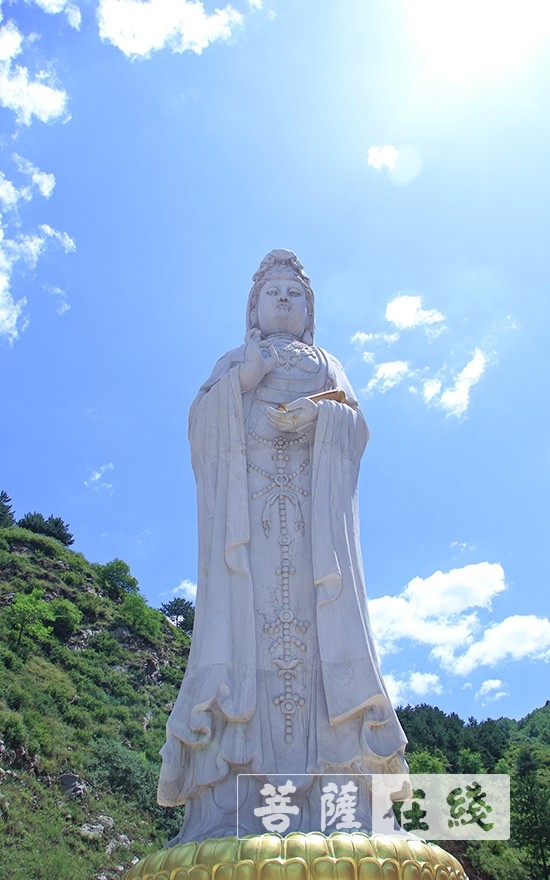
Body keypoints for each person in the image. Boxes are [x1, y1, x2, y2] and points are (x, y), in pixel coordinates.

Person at [158, 249, 407, 843]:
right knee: (243, 639)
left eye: (295, 296)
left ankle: (339, 796)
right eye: (274, 294)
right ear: (254, 306)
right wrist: (243, 384)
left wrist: (320, 418)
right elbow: (202, 427)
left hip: (317, 534)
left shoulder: (327, 364)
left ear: (309, 310)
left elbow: (355, 423)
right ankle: (230, 803)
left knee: (329, 647)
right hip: (249, 543)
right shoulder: (235, 362)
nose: (286, 303)